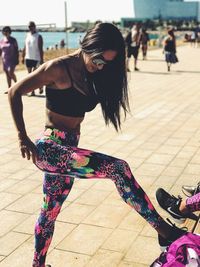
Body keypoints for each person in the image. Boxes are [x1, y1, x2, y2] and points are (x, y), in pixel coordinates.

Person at [8, 23, 187, 267]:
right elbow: (14, 92)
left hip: (69, 149)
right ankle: (164, 231)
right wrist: (22, 136)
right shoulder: (58, 69)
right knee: (118, 168)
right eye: (98, 59)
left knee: (49, 213)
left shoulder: (93, 73)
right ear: (88, 46)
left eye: (107, 63)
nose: (100, 66)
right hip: (50, 148)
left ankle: (37, 265)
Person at [22, 21, 44, 96]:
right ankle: (33, 91)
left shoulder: (39, 36)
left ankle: (40, 86)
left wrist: (41, 59)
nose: (30, 28)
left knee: (35, 76)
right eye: (29, 26)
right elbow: (25, 47)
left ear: (35, 27)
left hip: (36, 58)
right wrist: (22, 56)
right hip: (28, 57)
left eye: (32, 26)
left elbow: (41, 49)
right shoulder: (27, 35)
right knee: (29, 75)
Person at [0, 26, 19, 94]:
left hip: (12, 60)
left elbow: (16, 50)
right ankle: (9, 88)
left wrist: (17, 59)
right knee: (7, 74)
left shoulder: (13, 40)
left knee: (10, 73)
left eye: (7, 31)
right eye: (4, 31)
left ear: (10, 32)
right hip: (4, 60)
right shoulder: (1, 40)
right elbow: (0, 50)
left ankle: (17, 85)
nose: (5, 32)